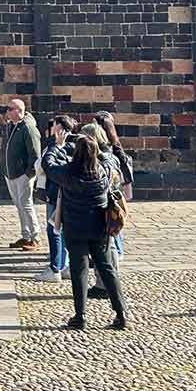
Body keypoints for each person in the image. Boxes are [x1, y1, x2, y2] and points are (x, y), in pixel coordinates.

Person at [43, 132, 128, 330]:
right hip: (99, 227)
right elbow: (108, 157)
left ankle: (80, 316)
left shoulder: (67, 173)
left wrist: (57, 145)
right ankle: (121, 313)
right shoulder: (104, 171)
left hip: (75, 228)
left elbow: (48, 164)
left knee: (78, 271)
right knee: (107, 269)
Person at [80, 122, 125, 300]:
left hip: (105, 205)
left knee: (107, 246)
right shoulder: (108, 155)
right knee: (109, 245)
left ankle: (104, 284)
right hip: (109, 203)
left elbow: (103, 184)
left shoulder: (102, 159)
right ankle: (106, 282)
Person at [32, 115, 75, 283]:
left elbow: (44, 165)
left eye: (54, 126)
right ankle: (65, 265)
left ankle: (55, 268)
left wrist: (56, 146)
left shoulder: (59, 147)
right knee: (64, 230)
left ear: (60, 129)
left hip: (57, 194)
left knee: (54, 230)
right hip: (67, 194)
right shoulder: (77, 145)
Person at [3, 98, 42, 250]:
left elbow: (35, 154)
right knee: (19, 205)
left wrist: (28, 174)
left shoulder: (28, 127)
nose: (7, 111)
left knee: (26, 205)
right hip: (10, 173)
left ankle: (35, 237)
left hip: (23, 175)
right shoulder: (11, 126)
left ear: (19, 110)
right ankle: (26, 236)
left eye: (10, 109)